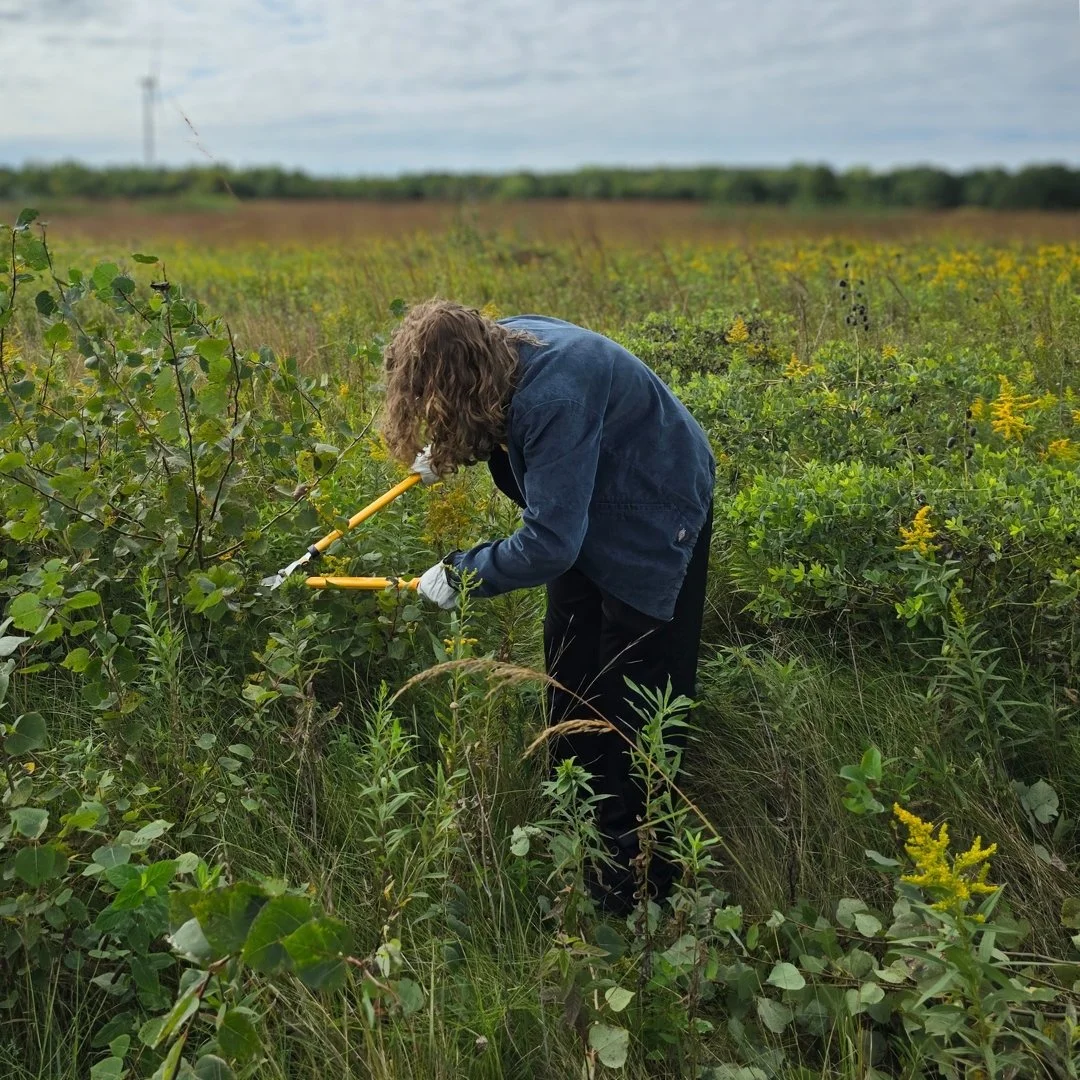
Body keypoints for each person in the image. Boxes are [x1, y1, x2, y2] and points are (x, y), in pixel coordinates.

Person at [381, 299, 715, 913]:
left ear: (467, 380)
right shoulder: (497, 350)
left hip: (656, 506)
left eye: (439, 405)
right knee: (570, 674)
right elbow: (513, 449)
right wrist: (449, 448)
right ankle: (576, 825)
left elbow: (550, 545)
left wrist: (463, 573)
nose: (429, 413)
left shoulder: (553, 396)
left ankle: (636, 887)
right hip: (583, 508)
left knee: (638, 702)